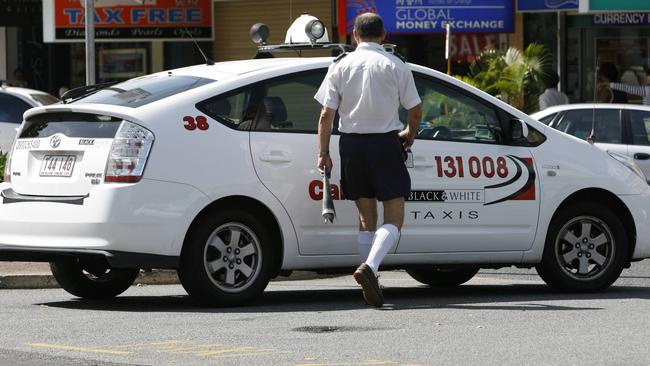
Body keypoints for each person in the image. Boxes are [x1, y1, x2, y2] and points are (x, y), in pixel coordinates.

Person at [314, 12, 422, 307]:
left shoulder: (339, 65)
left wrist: (323, 153)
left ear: (354, 35)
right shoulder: (395, 65)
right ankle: (371, 269)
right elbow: (415, 110)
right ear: (384, 35)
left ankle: (368, 281)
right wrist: (409, 134)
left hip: (351, 145)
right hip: (385, 144)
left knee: (366, 218)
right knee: (395, 217)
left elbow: (326, 115)